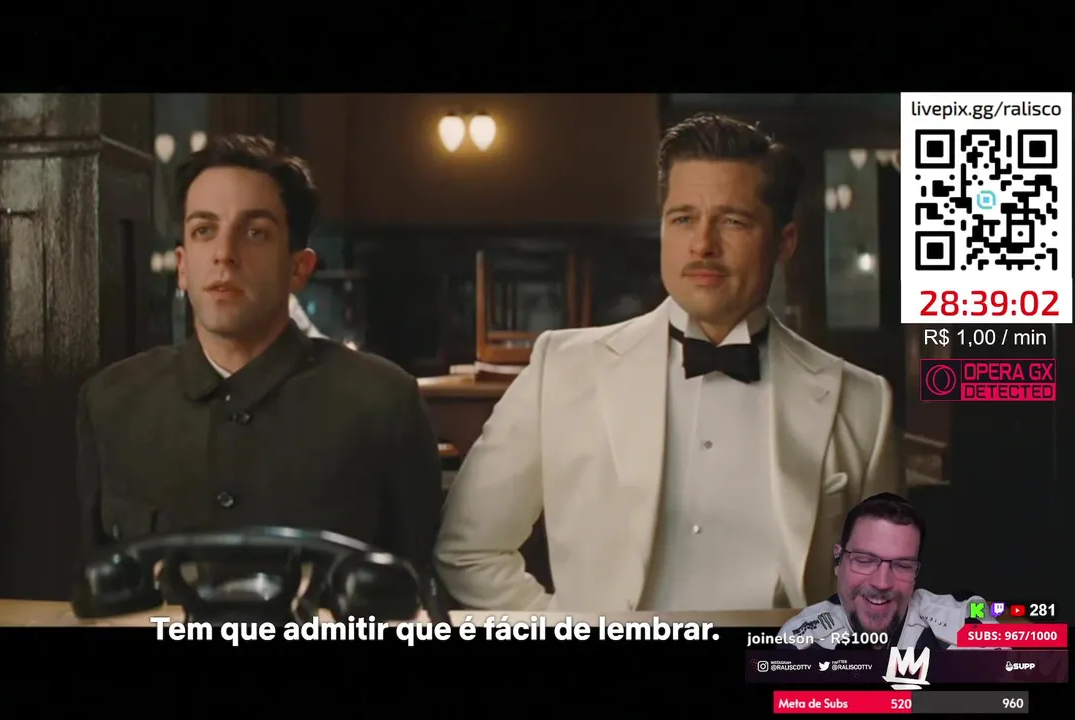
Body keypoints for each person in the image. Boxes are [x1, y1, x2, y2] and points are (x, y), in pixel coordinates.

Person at [436, 113, 902, 612]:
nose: (702, 244)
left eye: (732, 221)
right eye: (683, 219)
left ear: (784, 242)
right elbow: (468, 550)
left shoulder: (862, 401)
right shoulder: (562, 370)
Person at [75, 133, 443, 576]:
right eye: (204, 230)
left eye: (254, 233)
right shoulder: (112, 402)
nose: (224, 255)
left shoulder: (383, 402)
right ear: (183, 266)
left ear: (298, 268)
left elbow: (416, 587)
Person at [777, 493, 995, 650]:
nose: (882, 583)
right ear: (838, 560)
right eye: (865, 561)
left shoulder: (965, 615)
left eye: (902, 565)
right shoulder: (802, 640)